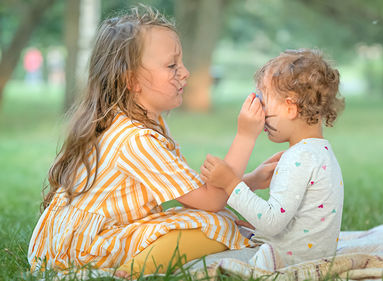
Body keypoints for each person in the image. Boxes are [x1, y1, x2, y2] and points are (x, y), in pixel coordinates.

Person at [27, 5, 279, 278]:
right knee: (217, 224)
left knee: (219, 220)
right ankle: (130, 273)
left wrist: (249, 180)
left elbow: (193, 195)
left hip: (66, 240)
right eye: (172, 65)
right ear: (132, 80)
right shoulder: (137, 138)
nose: (185, 73)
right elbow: (210, 201)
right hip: (77, 248)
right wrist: (245, 135)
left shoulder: (139, 120)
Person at [201, 49, 345, 271]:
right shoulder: (320, 151)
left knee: (212, 252)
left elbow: (272, 221)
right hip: (314, 255)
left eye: (263, 101)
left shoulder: (298, 157)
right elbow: (297, 219)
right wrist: (257, 228)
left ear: (290, 107)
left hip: (290, 261)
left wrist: (230, 183)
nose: (259, 112)